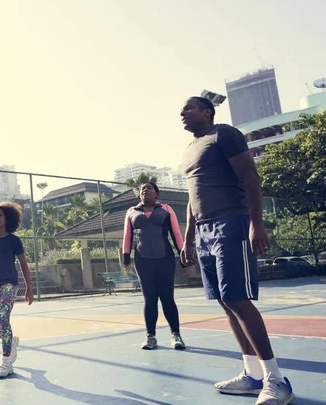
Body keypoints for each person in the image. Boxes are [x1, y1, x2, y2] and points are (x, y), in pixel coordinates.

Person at [180, 96, 294, 405]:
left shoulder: (224, 134)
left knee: (236, 297)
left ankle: (276, 380)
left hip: (231, 221)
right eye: (182, 110)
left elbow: (250, 177)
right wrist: (189, 236)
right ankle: (252, 375)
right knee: (223, 301)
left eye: (189, 108)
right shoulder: (190, 150)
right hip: (203, 230)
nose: (183, 113)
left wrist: (256, 224)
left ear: (207, 112)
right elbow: (193, 196)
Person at [122, 181, 186, 350]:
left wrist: (182, 254)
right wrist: (126, 259)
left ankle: (176, 335)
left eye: (149, 188)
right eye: (143, 189)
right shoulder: (131, 212)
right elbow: (127, 236)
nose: (145, 190)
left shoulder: (166, 209)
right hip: (142, 260)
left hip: (164, 258)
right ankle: (151, 336)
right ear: (139, 195)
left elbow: (176, 233)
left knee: (167, 297)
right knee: (149, 299)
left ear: (156, 194)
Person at [0, 201, 34, 378]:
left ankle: (6, 362)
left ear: (8, 218)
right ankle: (11, 341)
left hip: (9, 284)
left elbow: (24, 264)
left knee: (3, 320)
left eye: (0, 215)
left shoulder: (14, 241)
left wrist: (29, 288)